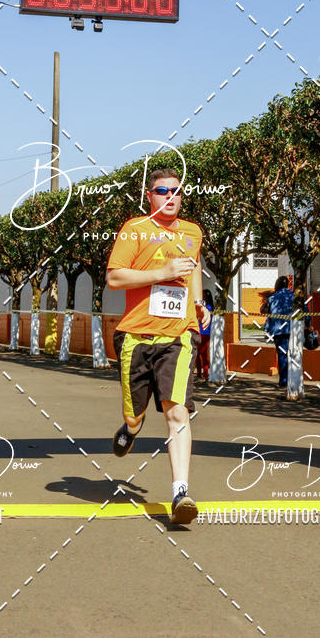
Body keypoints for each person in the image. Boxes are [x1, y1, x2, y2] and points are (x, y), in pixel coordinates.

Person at [107, 168, 210, 525]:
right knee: (133, 416)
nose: (170, 196)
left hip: (179, 336)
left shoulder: (192, 232)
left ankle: (181, 493)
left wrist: (198, 302)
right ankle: (130, 430)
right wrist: (161, 273)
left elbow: (193, 267)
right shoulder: (134, 229)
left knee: (177, 413)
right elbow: (114, 277)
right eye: (162, 191)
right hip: (136, 337)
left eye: (176, 191)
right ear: (149, 196)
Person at [196, 289, 214, 380]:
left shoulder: (207, 307)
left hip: (203, 332)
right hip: (203, 332)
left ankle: (204, 373)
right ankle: (201, 373)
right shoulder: (208, 307)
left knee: (201, 353)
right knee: (201, 354)